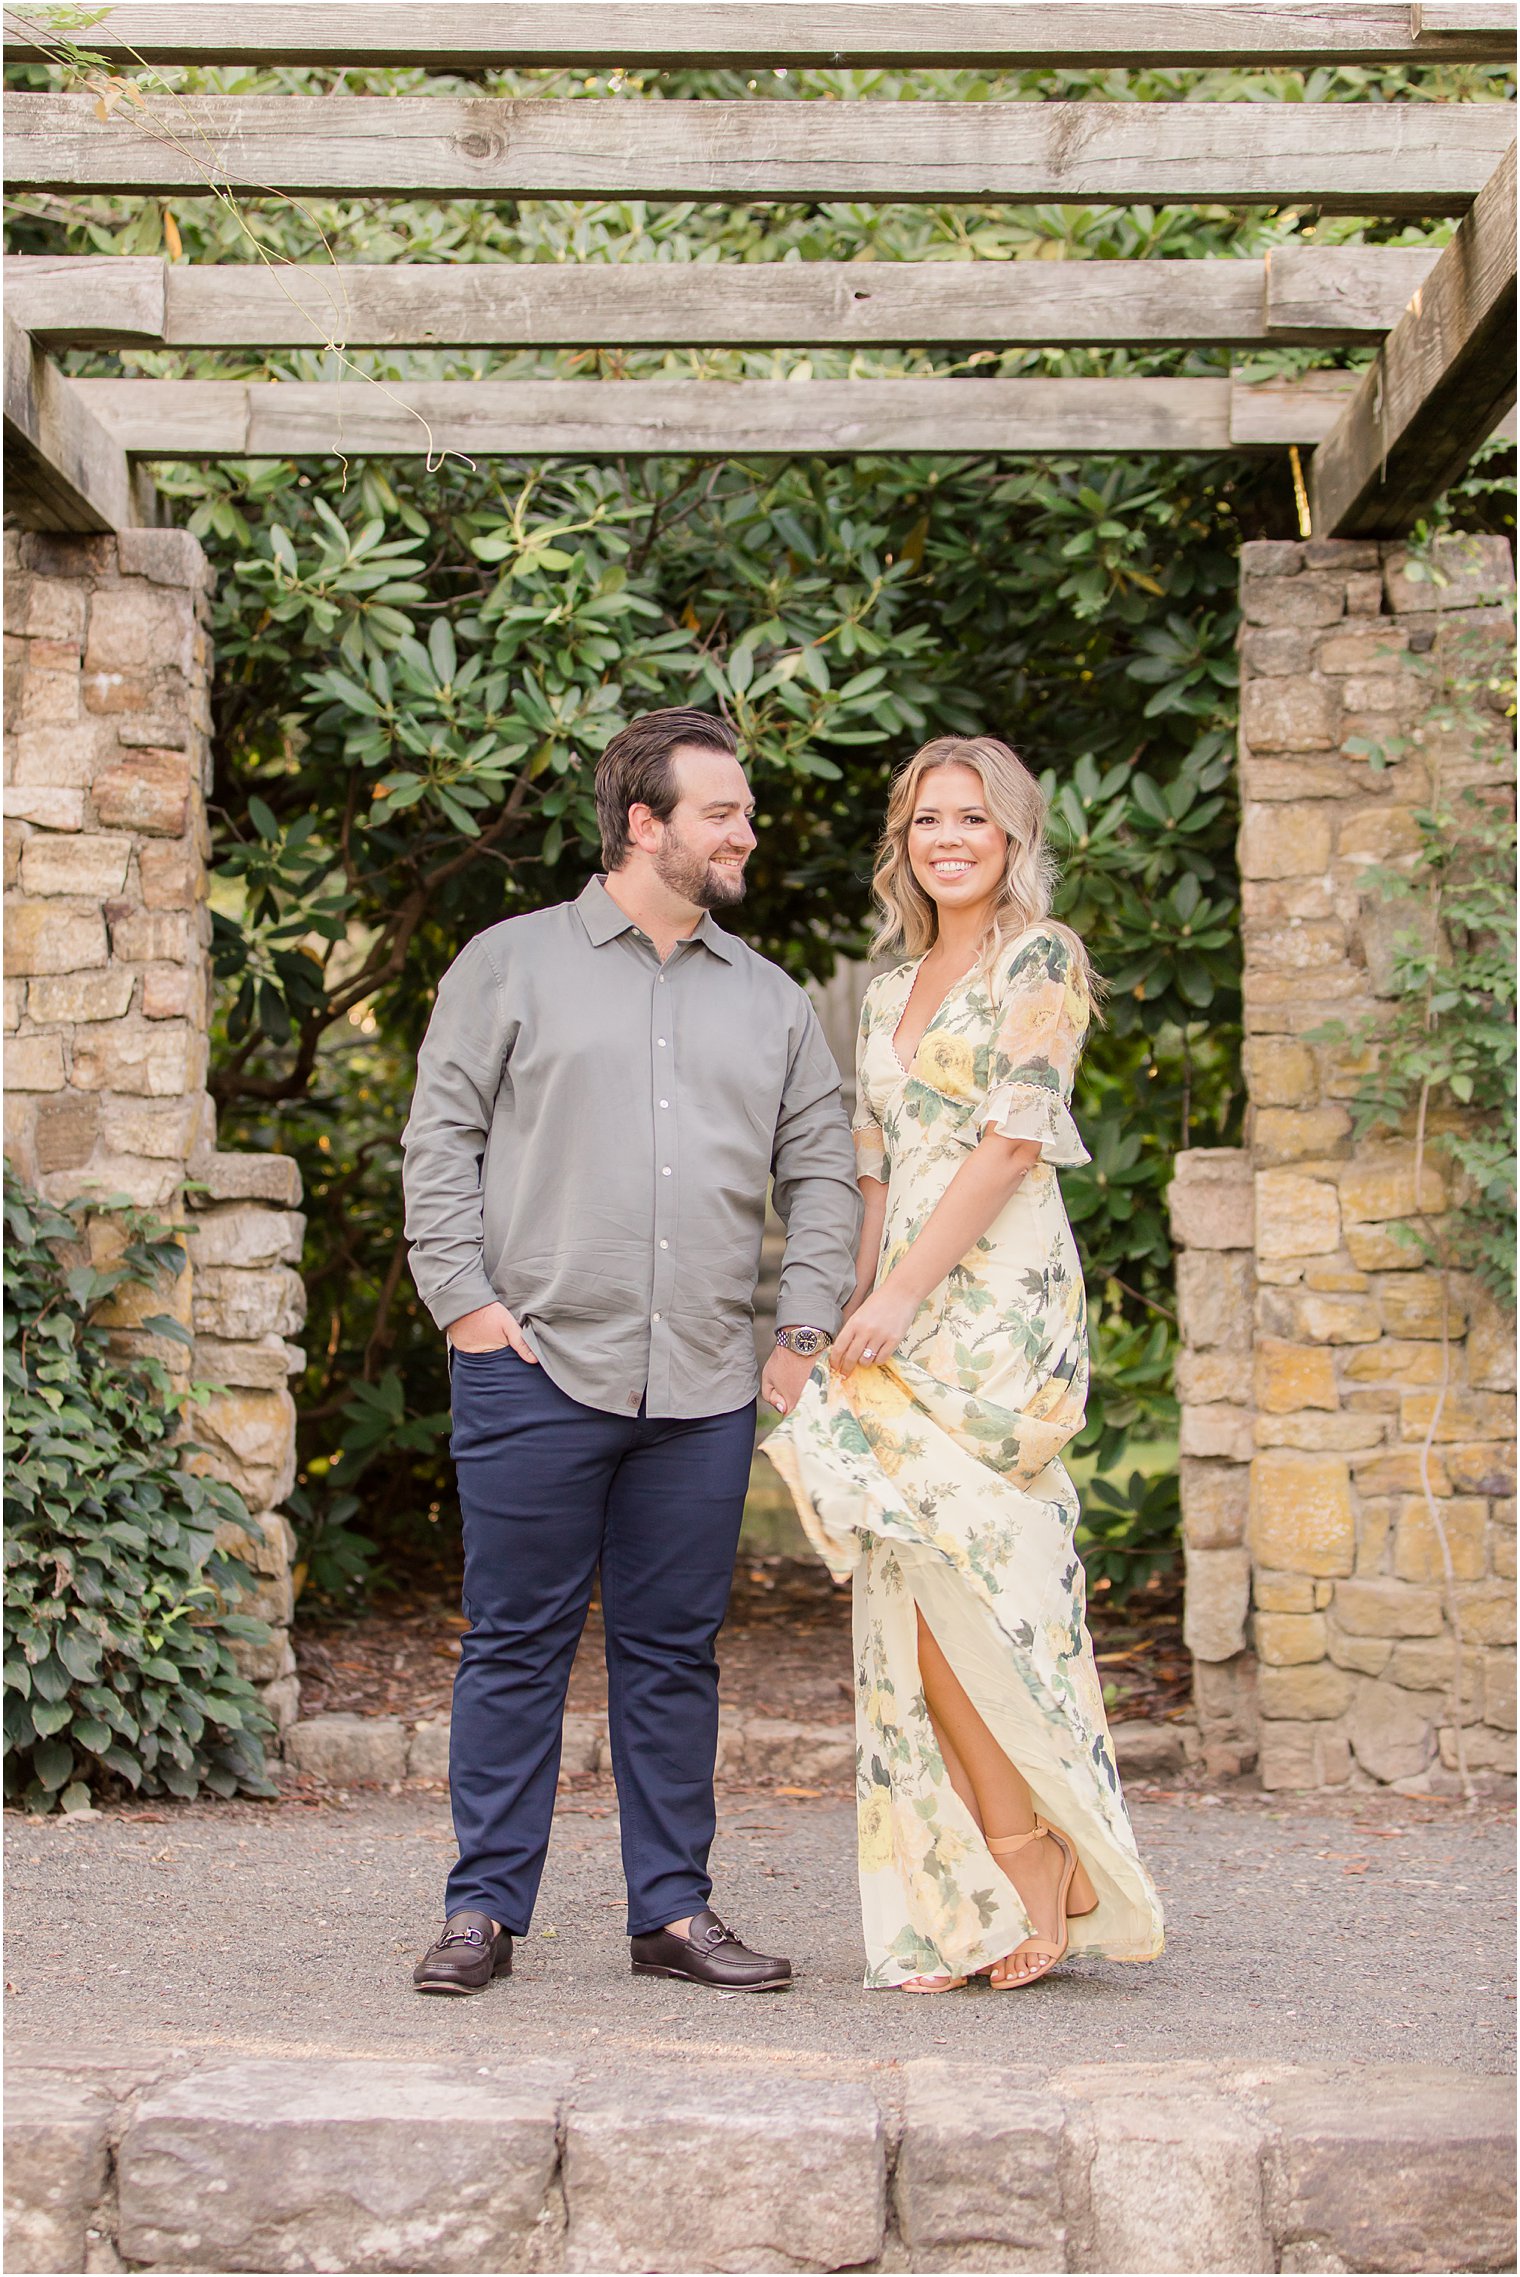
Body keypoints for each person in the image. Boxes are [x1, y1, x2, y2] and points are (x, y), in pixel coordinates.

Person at [400, 708, 861, 1996]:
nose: (745, 832)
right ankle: (482, 1911)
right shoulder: (508, 964)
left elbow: (822, 1172)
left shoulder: (768, 1000)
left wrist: (801, 1327)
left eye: (747, 814)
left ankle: (671, 1912)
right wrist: (466, 1311)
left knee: (672, 1655)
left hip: (707, 1386)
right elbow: (440, 1142)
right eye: (724, 812)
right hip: (532, 1365)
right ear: (643, 823)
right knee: (513, 1645)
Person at [765, 735, 1165, 1992]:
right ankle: (979, 1888)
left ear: (1011, 841)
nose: (949, 838)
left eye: (973, 821)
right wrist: (852, 1308)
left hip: (1000, 1309)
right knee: (905, 1590)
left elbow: (1007, 1150)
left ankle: (1034, 1853)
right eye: (928, 819)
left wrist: (899, 1293)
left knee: (991, 1592)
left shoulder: (1038, 962)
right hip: (902, 1303)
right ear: (905, 841)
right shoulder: (886, 993)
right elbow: (876, 1163)